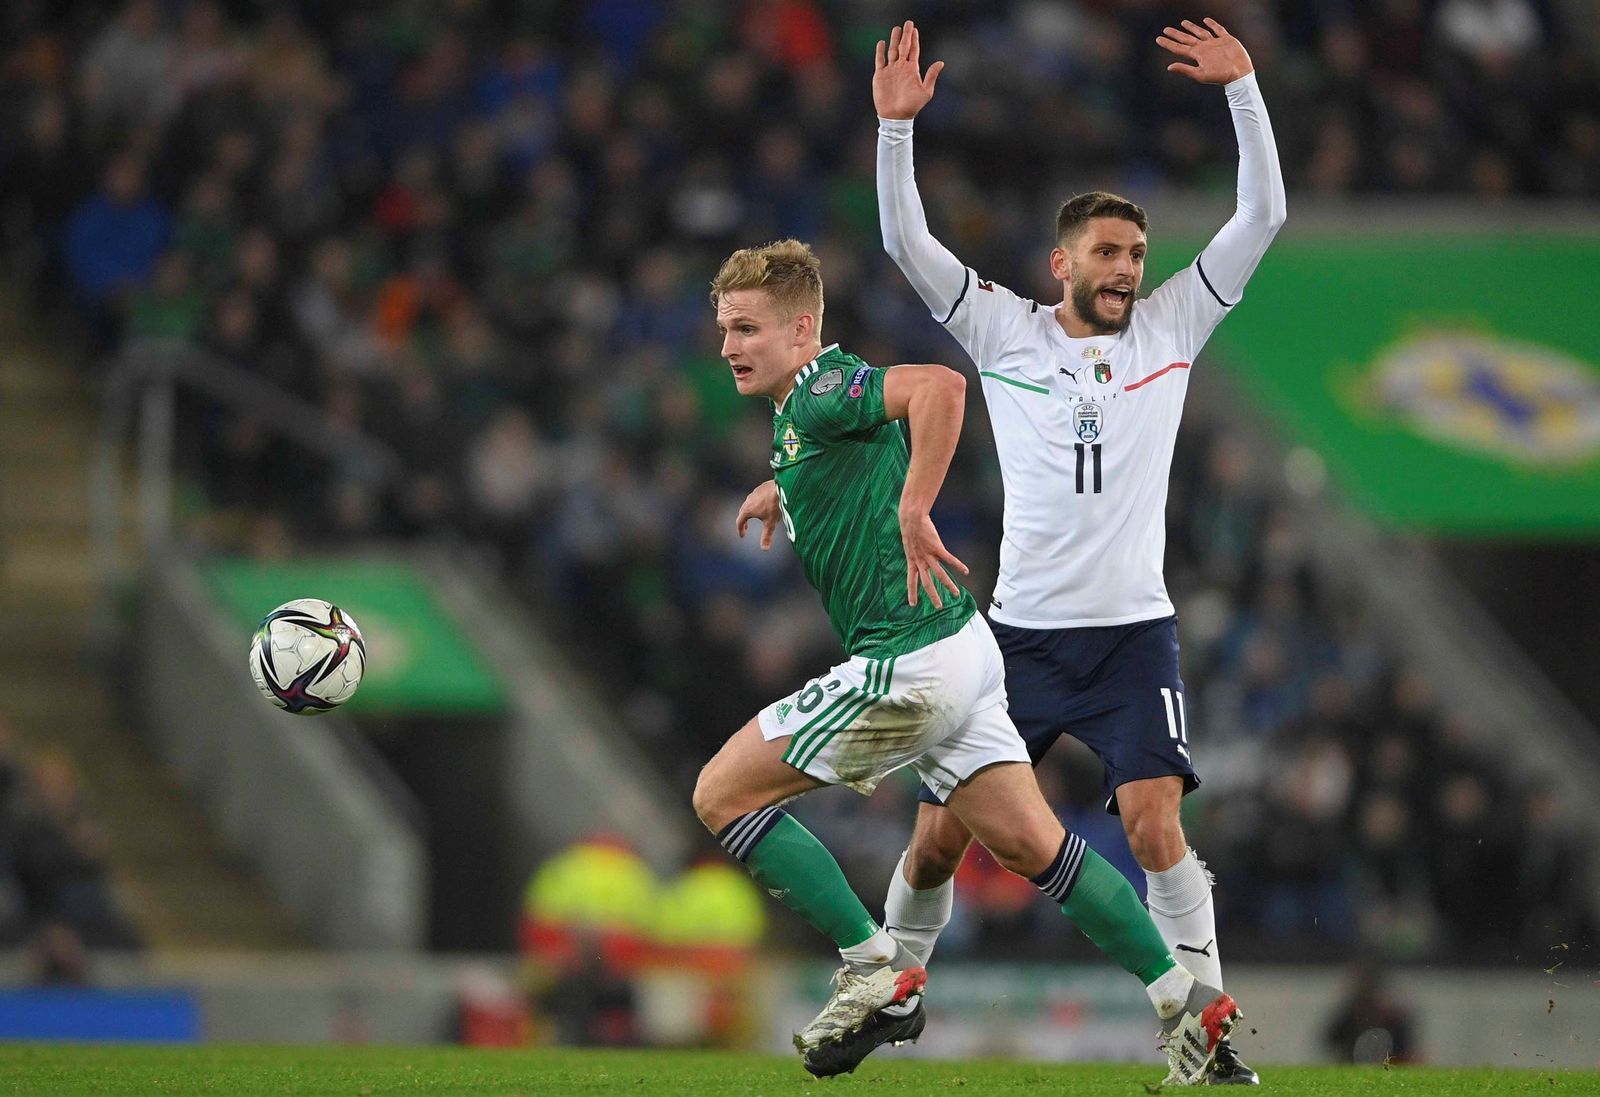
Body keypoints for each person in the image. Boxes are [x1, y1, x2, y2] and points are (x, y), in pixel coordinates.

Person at [694, 238, 1240, 1084]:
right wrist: (787, 486)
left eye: (747, 328)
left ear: (802, 329)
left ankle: (877, 970)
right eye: (725, 327)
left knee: (721, 793)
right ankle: (1185, 1000)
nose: (729, 344)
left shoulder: (824, 386)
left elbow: (941, 387)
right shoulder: (801, 415)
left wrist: (918, 505)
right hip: (969, 653)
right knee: (1035, 846)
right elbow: (844, 452)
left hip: (909, 664)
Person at [863, 16, 1286, 1083]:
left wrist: (1242, 91)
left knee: (1153, 825)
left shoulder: (1173, 327)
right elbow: (909, 250)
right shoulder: (1006, 332)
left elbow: (1264, 213)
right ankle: (886, 988)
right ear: (1063, 261)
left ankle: (1200, 1029)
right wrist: (895, 134)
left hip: (1133, 636)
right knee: (937, 842)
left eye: (1137, 253)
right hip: (1014, 642)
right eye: (1108, 252)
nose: (1128, 269)